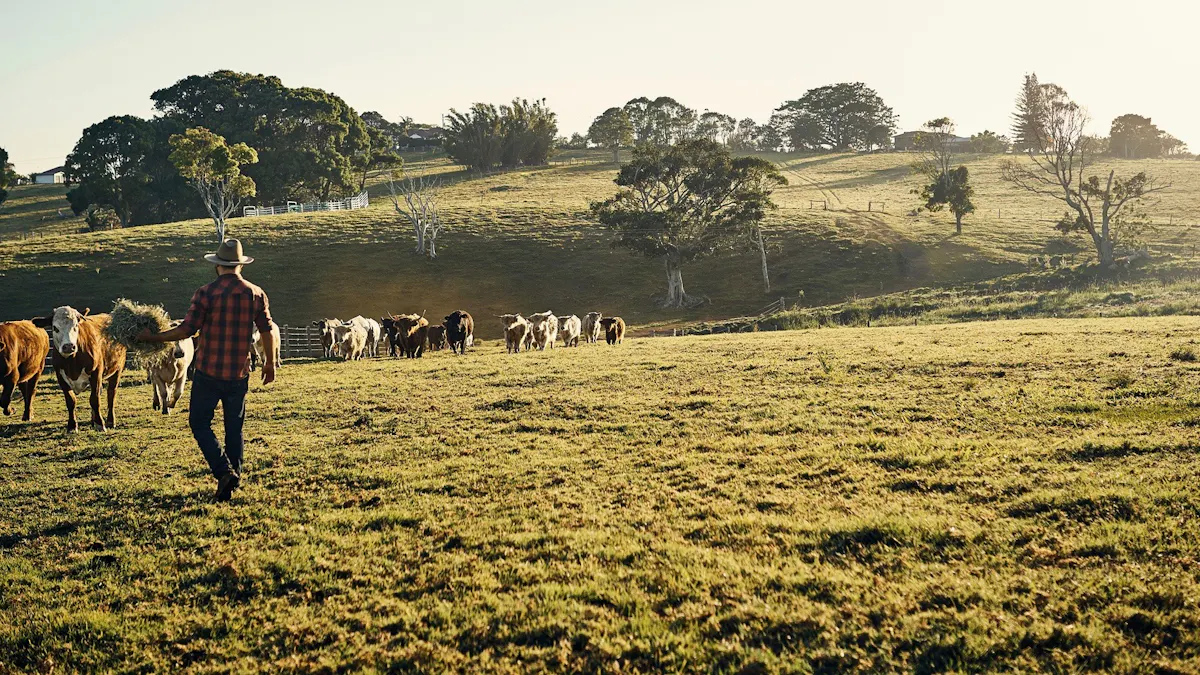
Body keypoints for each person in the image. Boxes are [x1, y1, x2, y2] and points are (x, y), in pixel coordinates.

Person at [139, 239, 276, 502]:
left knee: (199, 422)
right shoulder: (256, 293)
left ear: (217, 266)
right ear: (239, 265)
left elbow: (187, 330)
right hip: (239, 372)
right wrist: (269, 363)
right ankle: (231, 480)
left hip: (208, 372)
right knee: (234, 428)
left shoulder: (205, 293)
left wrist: (152, 338)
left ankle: (224, 472)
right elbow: (267, 329)